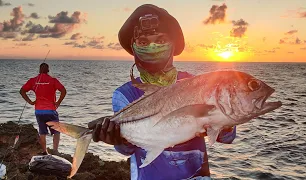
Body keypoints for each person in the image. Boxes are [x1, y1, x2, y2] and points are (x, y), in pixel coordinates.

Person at [88, 4, 236, 180]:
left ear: (173, 44)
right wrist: (117, 139)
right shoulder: (124, 94)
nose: (152, 46)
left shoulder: (196, 84)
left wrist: (226, 122)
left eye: (160, 40)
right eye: (143, 42)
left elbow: (227, 138)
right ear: (134, 47)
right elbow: (126, 150)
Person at [20, 63, 66, 155]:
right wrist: (58, 103)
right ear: (48, 70)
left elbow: (22, 91)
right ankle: (55, 151)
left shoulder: (33, 81)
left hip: (39, 111)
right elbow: (63, 91)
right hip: (51, 110)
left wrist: (30, 101)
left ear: (39, 70)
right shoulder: (53, 80)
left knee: (42, 132)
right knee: (56, 131)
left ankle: (44, 151)